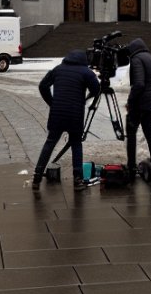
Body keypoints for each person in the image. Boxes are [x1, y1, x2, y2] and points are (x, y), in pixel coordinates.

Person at [32, 50, 102, 190]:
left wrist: (52, 102)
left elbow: (42, 86)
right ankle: (77, 180)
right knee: (76, 144)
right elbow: (97, 89)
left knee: (50, 142)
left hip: (57, 113)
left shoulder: (58, 69)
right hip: (75, 114)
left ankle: (37, 177)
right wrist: (85, 98)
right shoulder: (86, 72)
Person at [124, 37, 151, 181]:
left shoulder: (137, 59)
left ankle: (131, 166)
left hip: (140, 103)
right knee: (149, 132)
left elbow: (139, 84)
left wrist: (130, 101)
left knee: (131, 132)